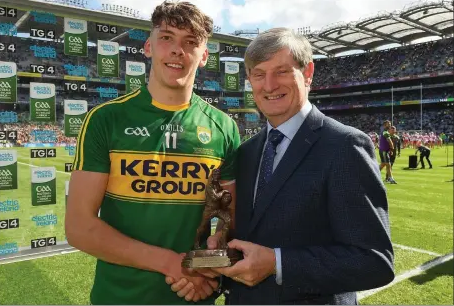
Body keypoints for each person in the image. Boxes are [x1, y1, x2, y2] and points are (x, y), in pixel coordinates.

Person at [168, 27, 394, 304]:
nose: (270, 85)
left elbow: (374, 261)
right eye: (259, 74)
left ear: (308, 72)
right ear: (249, 80)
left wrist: (277, 263)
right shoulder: (247, 152)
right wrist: (220, 251)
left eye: (282, 71)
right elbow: (250, 238)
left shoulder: (344, 146)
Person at [65, 0, 240, 305]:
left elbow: (233, 223)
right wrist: (172, 263)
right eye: (167, 38)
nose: (177, 50)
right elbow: (80, 227)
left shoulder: (224, 128)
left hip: (195, 296)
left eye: (190, 42)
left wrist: (209, 270)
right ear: (148, 47)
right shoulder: (106, 119)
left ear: (204, 57)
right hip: (118, 298)